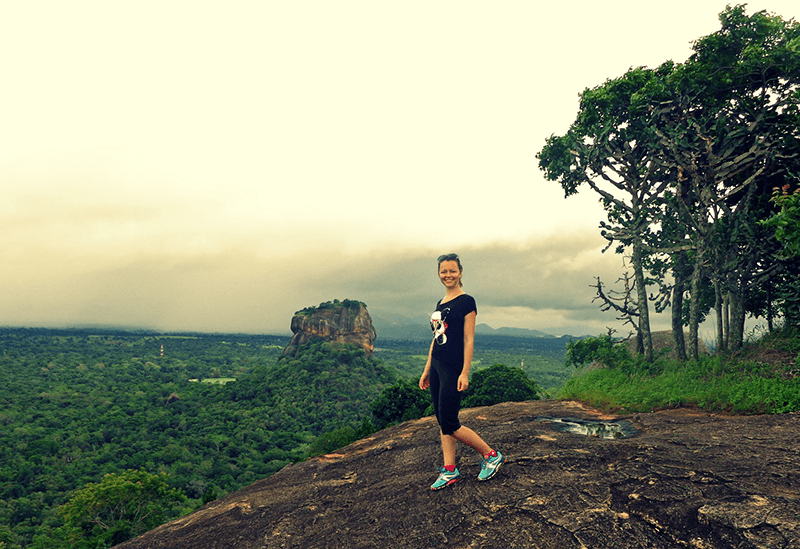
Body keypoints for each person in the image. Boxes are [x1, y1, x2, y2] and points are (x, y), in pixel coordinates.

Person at [419, 253, 505, 490]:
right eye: (443, 271)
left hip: (453, 367)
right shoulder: (441, 303)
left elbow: (469, 339)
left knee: (450, 422)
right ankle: (449, 470)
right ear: (439, 274)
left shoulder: (467, 302)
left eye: (452, 271)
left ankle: (491, 454)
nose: (448, 275)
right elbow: (436, 338)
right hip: (437, 364)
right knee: (441, 420)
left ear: (460, 272)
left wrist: (465, 372)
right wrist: (427, 369)